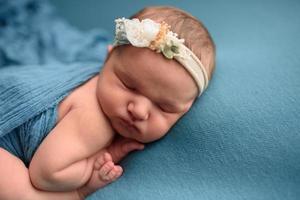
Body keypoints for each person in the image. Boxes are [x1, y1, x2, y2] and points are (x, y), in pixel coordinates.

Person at [0, 6, 215, 200]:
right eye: (129, 86)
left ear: (185, 109)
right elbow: (46, 174)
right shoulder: (94, 121)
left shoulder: (112, 83)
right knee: (21, 190)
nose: (139, 111)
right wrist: (90, 169)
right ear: (107, 60)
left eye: (164, 107)